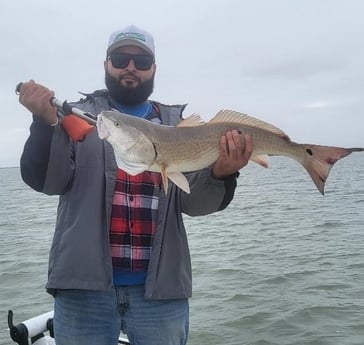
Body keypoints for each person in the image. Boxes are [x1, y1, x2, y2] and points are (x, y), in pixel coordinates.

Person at [18, 25, 252, 345]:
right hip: (83, 291)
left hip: (160, 292)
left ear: (154, 69)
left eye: (141, 61)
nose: (130, 67)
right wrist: (44, 123)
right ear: (106, 64)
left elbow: (195, 204)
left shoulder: (178, 128)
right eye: (121, 58)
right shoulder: (79, 119)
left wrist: (223, 173)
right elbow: (46, 180)